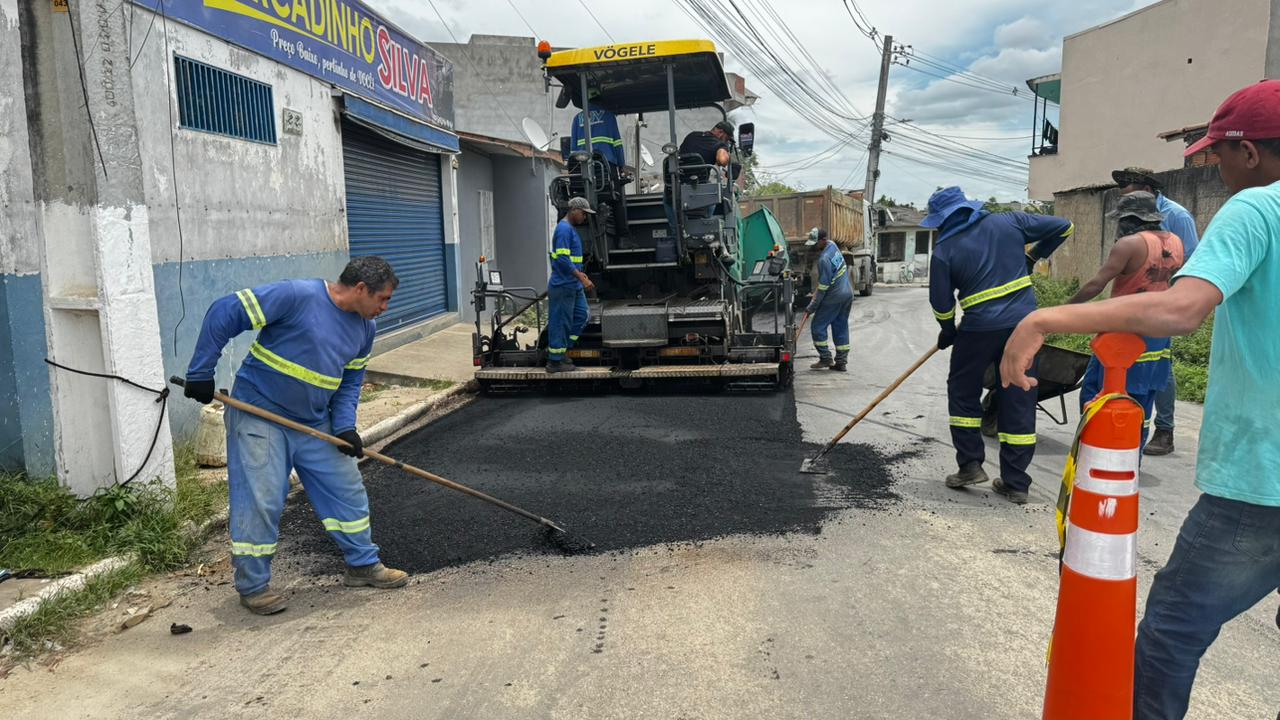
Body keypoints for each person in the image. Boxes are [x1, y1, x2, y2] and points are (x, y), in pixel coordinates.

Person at [1000, 79, 1280, 719]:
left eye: (1219, 154)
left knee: (1171, 635)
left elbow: (1181, 309)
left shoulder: (1257, 208)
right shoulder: (1177, 241)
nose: (1215, 165)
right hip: (1155, 365)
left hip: (1261, 479)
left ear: (1252, 153)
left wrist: (1044, 320)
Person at [182, 256, 409, 616]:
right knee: (263, 498)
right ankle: (253, 587)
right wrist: (200, 370)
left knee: (346, 488)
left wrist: (345, 426)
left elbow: (349, 383)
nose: (384, 308)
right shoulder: (296, 295)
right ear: (361, 289)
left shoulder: (364, 331)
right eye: (382, 299)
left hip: (314, 423)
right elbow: (225, 311)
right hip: (260, 415)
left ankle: (363, 565)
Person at [926, 186, 1074, 504]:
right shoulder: (1009, 222)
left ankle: (969, 465)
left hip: (978, 330)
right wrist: (1033, 255)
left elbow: (941, 303)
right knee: (1019, 394)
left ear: (941, 220)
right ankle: (1016, 482)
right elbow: (1065, 226)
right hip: (1024, 327)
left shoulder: (944, 249)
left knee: (963, 390)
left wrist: (947, 329)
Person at [1069, 191, 1185, 446]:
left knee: (1099, 395)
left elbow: (1096, 284)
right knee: (1142, 401)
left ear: (1131, 219)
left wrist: (1062, 311)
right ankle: (1133, 459)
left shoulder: (1129, 245)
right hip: (1158, 334)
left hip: (1123, 334)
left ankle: (1096, 448)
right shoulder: (1175, 241)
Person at [1112, 167, 1201, 456]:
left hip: (1164, 301)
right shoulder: (1133, 213)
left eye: (1129, 192)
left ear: (1147, 191)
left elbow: (1191, 259)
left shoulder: (1176, 216)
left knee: (1160, 365)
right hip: (1132, 304)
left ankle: (1165, 429)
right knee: (1135, 363)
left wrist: (1175, 299)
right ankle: (1122, 425)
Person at [547, 196, 596, 373]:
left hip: (572, 284)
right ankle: (554, 361)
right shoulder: (563, 229)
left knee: (582, 315)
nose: (584, 217)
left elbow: (571, 260)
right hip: (563, 284)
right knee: (561, 322)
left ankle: (562, 351)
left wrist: (580, 275)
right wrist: (580, 277)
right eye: (583, 213)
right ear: (574, 210)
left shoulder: (570, 229)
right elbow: (562, 259)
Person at [805, 228, 853, 371]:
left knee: (817, 326)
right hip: (847, 294)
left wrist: (812, 306)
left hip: (834, 297)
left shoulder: (823, 259)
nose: (814, 247)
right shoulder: (833, 246)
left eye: (816, 243)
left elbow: (823, 288)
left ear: (823, 240)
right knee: (840, 326)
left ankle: (825, 358)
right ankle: (841, 362)